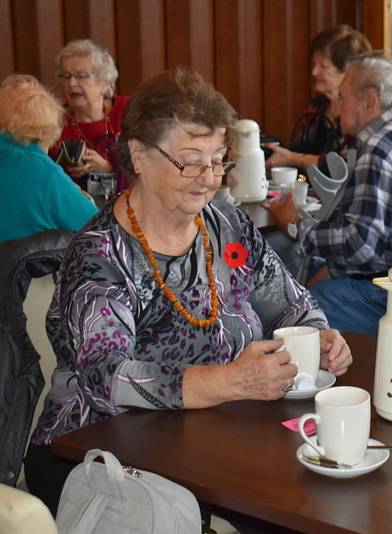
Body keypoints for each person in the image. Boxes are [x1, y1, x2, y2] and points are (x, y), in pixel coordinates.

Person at [25, 68, 353, 515]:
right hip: (100, 455)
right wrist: (231, 380)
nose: (209, 177)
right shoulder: (102, 254)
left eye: (218, 160)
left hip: (211, 441)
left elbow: (295, 305)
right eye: (191, 160)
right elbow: (108, 376)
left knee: (320, 496)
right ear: (138, 155)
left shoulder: (226, 227)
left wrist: (321, 336)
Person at [269, 53, 392, 336]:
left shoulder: (381, 149)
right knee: (318, 270)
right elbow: (372, 240)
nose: (337, 109)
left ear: (369, 101)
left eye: (343, 98)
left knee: (294, 310)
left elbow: (360, 246)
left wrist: (295, 223)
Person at [0, 75, 97, 243]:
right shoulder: (40, 170)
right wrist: (85, 199)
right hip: (24, 268)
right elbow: (98, 228)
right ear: (47, 129)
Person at [265, 25, 372, 170]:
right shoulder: (317, 106)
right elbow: (298, 150)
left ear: (349, 69)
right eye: (314, 64)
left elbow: (345, 167)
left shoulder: (362, 113)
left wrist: (292, 158)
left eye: (323, 66)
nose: (314, 72)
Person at [49, 39, 130, 192]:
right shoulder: (55, 123)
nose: (72, 83)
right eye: (66, 76)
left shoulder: (129, 111)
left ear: (105, 83)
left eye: (81, 76)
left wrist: (109, 169)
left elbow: (151, 169)